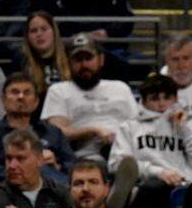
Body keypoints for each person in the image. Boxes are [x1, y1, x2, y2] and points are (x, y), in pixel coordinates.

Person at [107, 74, 192, 193]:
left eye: (167, 98)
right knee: (152, 186)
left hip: (183, 186)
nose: (161, 104)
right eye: (154, 99)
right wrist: (156, 172)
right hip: (145, 183)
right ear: (143, 101)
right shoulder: (129, 127)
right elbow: (116, 164)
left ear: (176, 99)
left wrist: (186, 131)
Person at [42, 33, 136, 161]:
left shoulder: (120, 88)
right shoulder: (59, 91)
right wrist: (93, 131)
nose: (84, 65)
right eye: (78, 60)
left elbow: (138, 125)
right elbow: (57, 132)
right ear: (68, 62)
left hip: (125, 150)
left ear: (101, 59)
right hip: (84, 157)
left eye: (89, 58)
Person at [0, 72, 75, 182]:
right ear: (3, 100)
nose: (21, 97)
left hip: (52, 186)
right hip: (7, 187)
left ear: (36, 102)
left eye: (27, 93)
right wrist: (26, 172)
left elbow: (72, 166)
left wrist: (57, 166)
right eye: (15, 92)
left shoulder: (53, 132)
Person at [0, 128, 70, 208]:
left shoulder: (59, 192)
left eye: (20, 158)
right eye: (9, 158)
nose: (12, 166)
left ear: (40, 160)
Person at [18, 11, 71, 99]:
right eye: (34, 31)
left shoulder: (69, 55)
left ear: (54, 31)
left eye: (44, 29)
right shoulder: (21, 60)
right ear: (27, 37)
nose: (39, 34)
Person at [160, 34, 192, 121]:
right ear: (166, 60)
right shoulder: (153, 91)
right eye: (175, 59)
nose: (181, 66)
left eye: (186, 58)